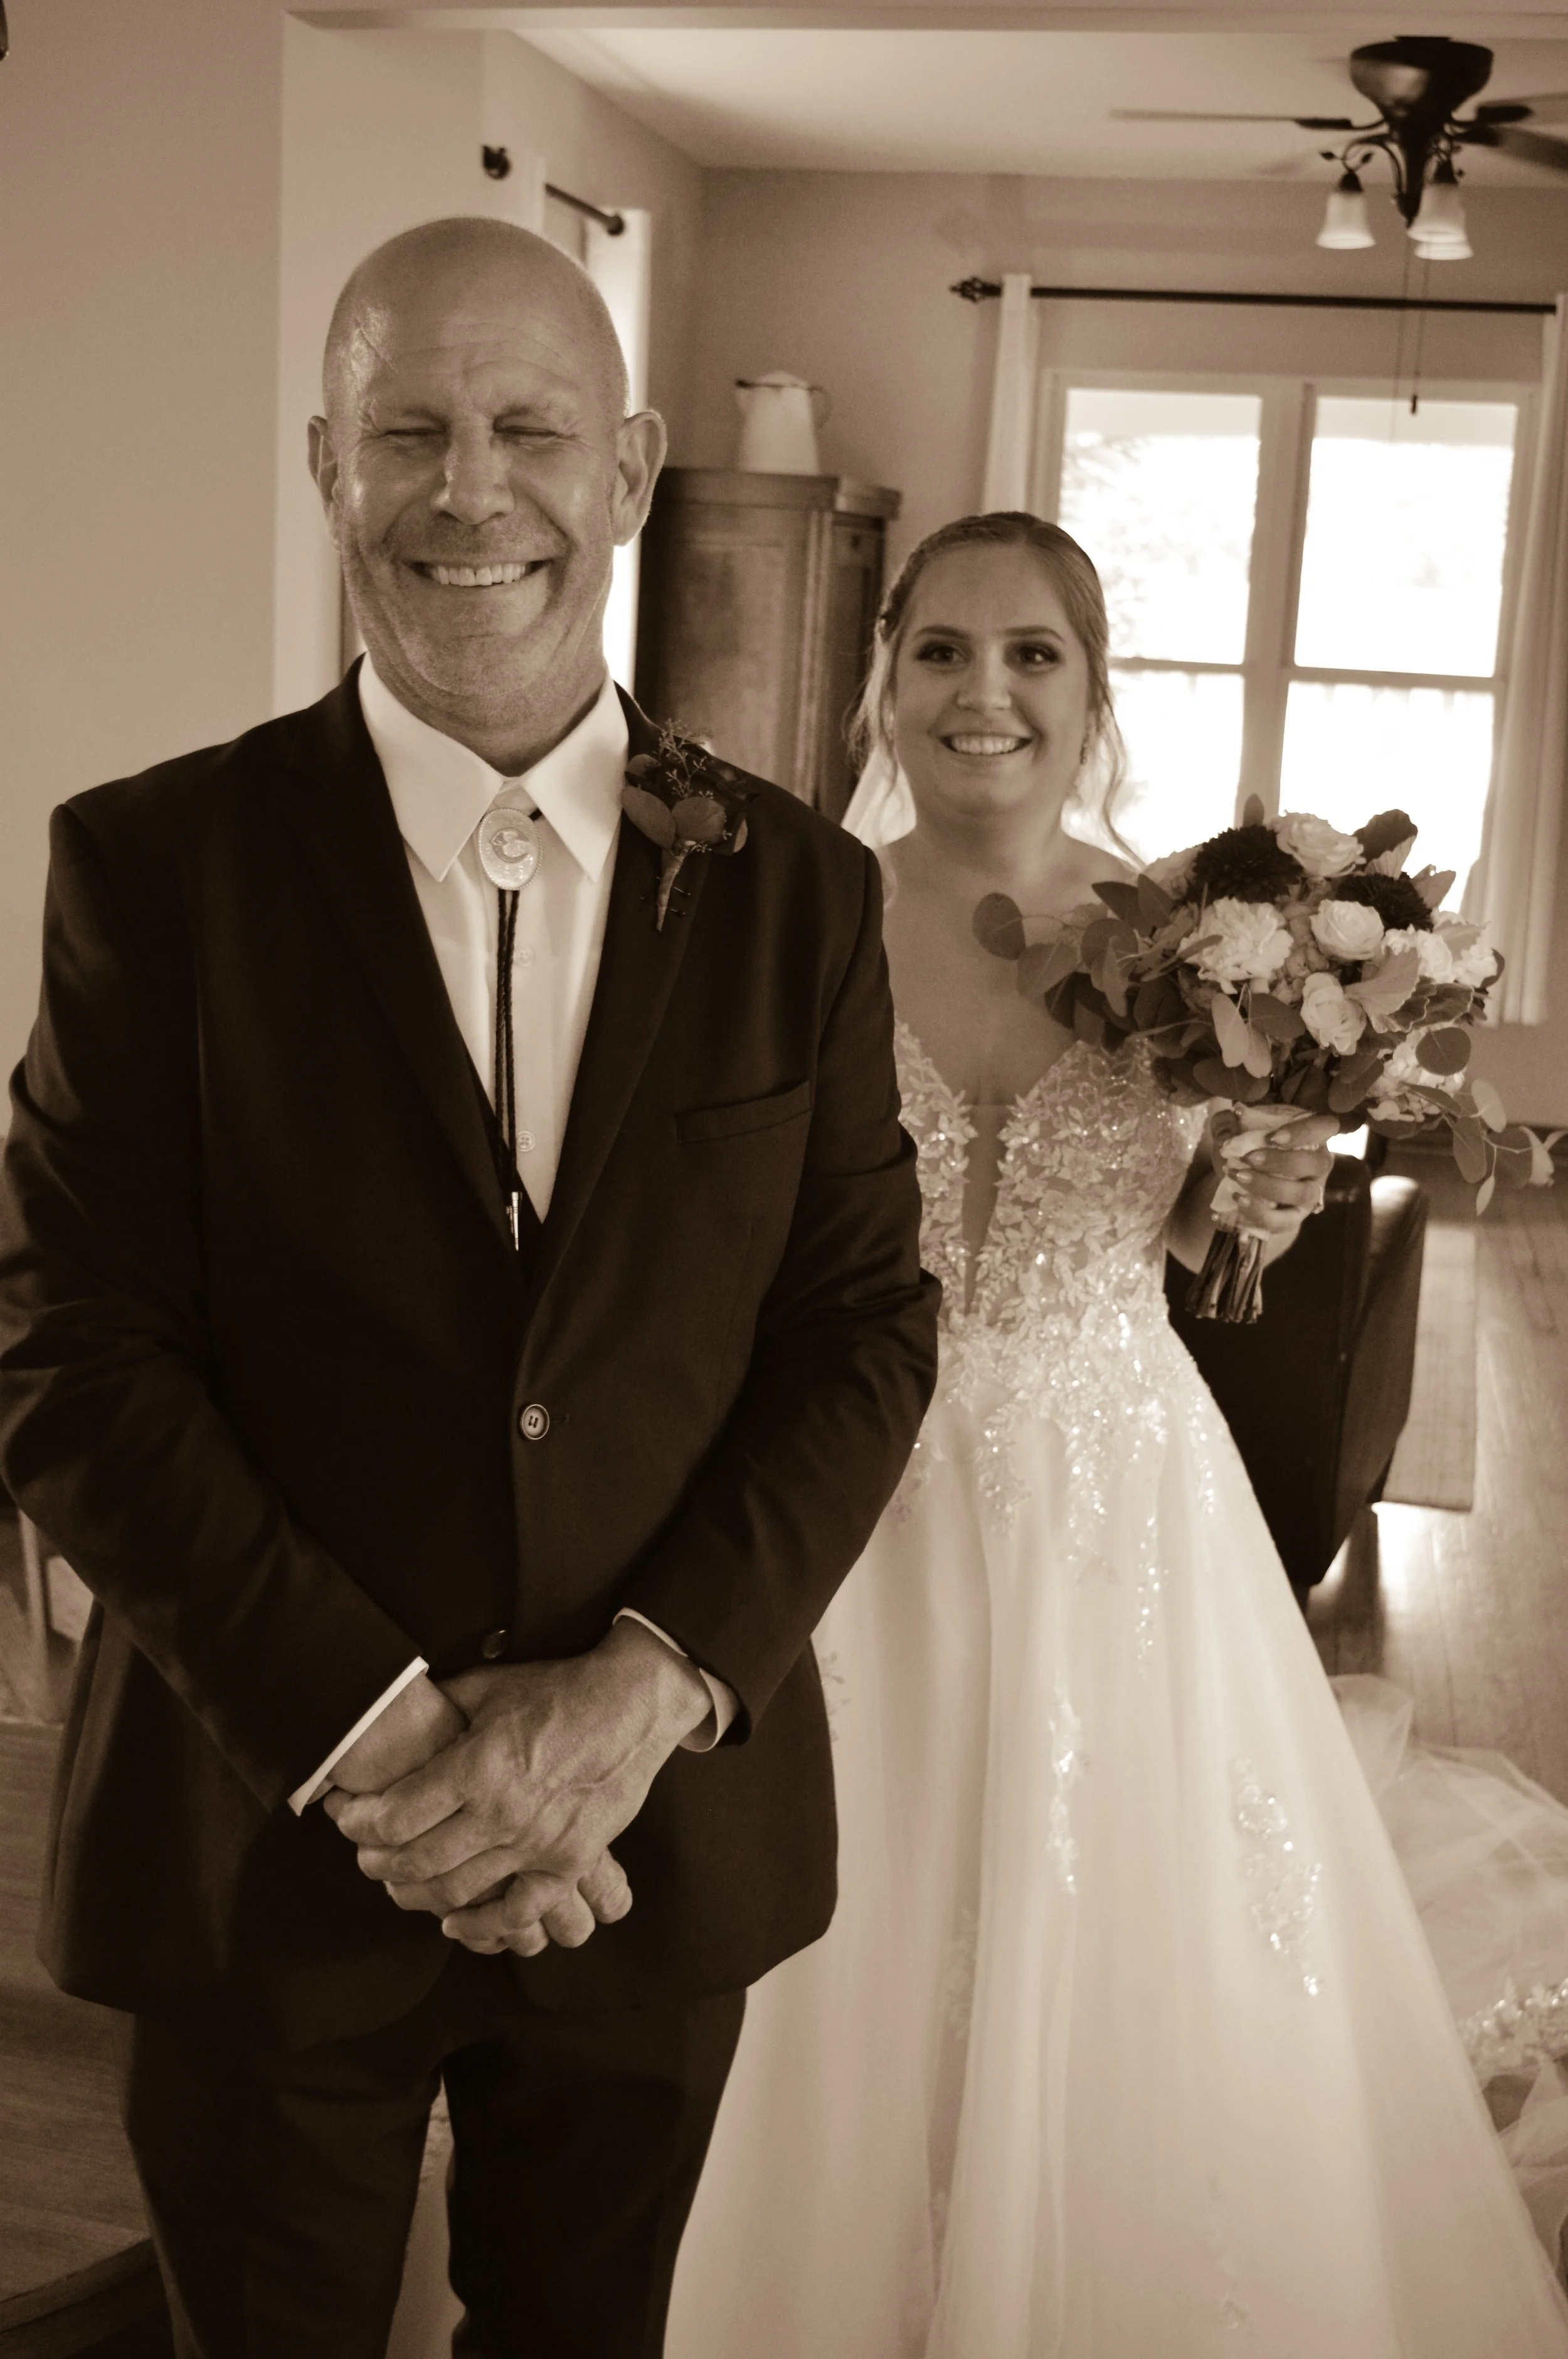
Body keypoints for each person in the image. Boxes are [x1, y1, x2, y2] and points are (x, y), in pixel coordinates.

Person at [0, 217, 939, 2359]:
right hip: (261, 1835)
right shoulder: (151, 867)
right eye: (407, 430)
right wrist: (394, 1748)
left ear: (628, 471)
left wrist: (635, 1700)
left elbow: (861, 1330)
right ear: (324, 464)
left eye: (528, 429)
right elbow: (69, 1349)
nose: (469, 488)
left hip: (653, 1839)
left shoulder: (796, 889)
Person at [664, 512, 1568, 2357]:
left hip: (1111, 1491)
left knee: (1118, 1943)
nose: (981, 692)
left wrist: (1255, 1200)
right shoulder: (791, 914)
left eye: (1031, 654)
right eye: (938, 650)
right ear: (883, 684)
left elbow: (1191, 1237)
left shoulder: (1194, 945)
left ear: (1091, 693)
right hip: (838, 1492)